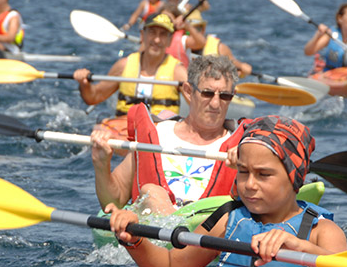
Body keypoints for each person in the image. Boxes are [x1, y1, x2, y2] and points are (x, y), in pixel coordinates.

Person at [105, 115, 347, 267]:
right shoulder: (228, 220)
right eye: (243, 172)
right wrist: (134, 239)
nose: (250, 185)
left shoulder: (321, 231)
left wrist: (299, 246)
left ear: (295, 178)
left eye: (264, 175)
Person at [90, 54, 243, 215]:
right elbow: (114, 202)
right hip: (153, 231)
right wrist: (101, 165)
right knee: (152, 192)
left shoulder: (241, 147)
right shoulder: (156, 135)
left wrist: (244, 168)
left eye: (225, 96)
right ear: (188, 91)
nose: (215, 103)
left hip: (207, 231)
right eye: (207, 93)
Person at [74, 12, 187, 126]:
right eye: (152, 32)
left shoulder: (178, 72)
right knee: (100, 133)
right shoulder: (123, 66)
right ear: (142, 35)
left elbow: (199, 104)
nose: (157, 40)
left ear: (170, 40)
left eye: (163, 34)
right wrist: (84, 84)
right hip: (124, 132)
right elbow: (93, 97)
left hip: (160, 135)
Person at [303, 2, 347, 73]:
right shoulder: (331, 35)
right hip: (331, 75)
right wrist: (317, 35)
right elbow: (308, 52)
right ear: (340, 18)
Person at [188, 12, 252, 77]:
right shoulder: (179, 46)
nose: (193, 34)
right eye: (188, 31)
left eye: (197, 29)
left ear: (203, 29)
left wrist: (241, 66)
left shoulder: (220, 48)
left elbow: (235, 64)